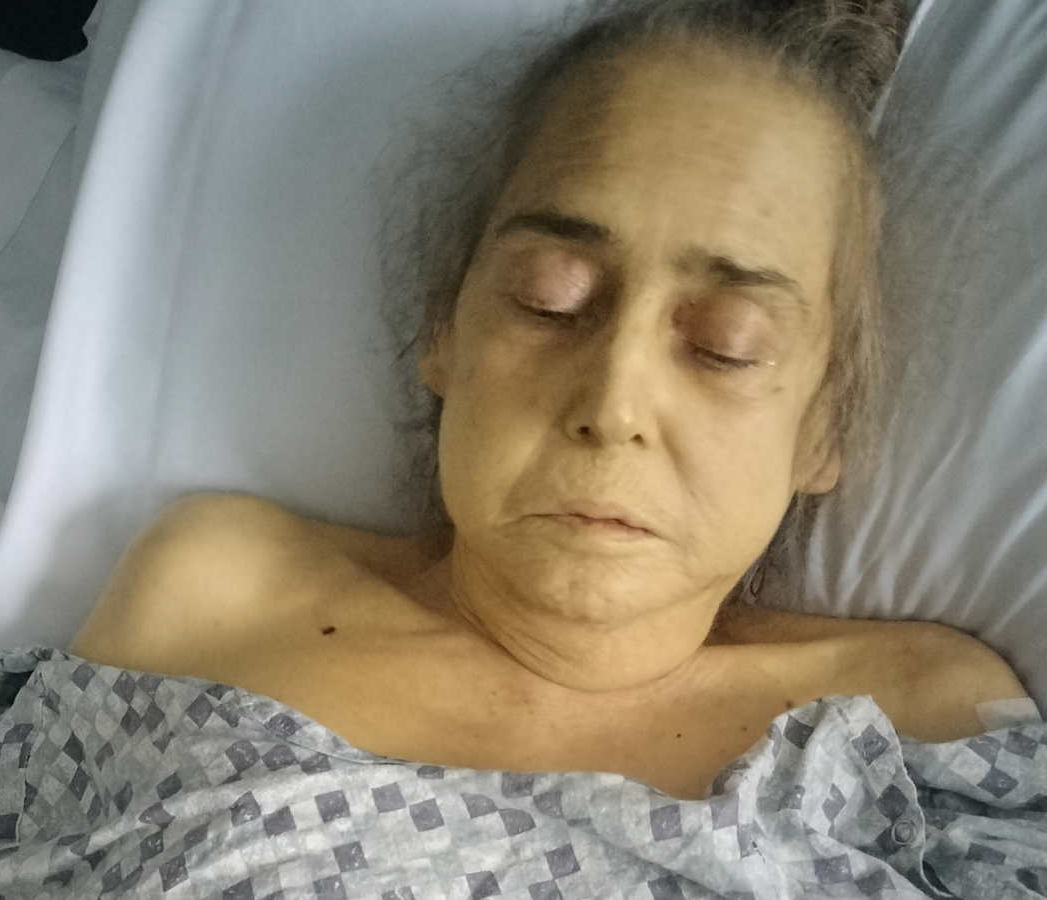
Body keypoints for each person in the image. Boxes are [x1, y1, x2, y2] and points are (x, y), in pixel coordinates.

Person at [70, 0, 1028, 802]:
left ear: (821, 427)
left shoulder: (923, 725)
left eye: (725, 345)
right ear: (445, 332)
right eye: (549, 299)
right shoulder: (216, 598)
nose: (614, 406)